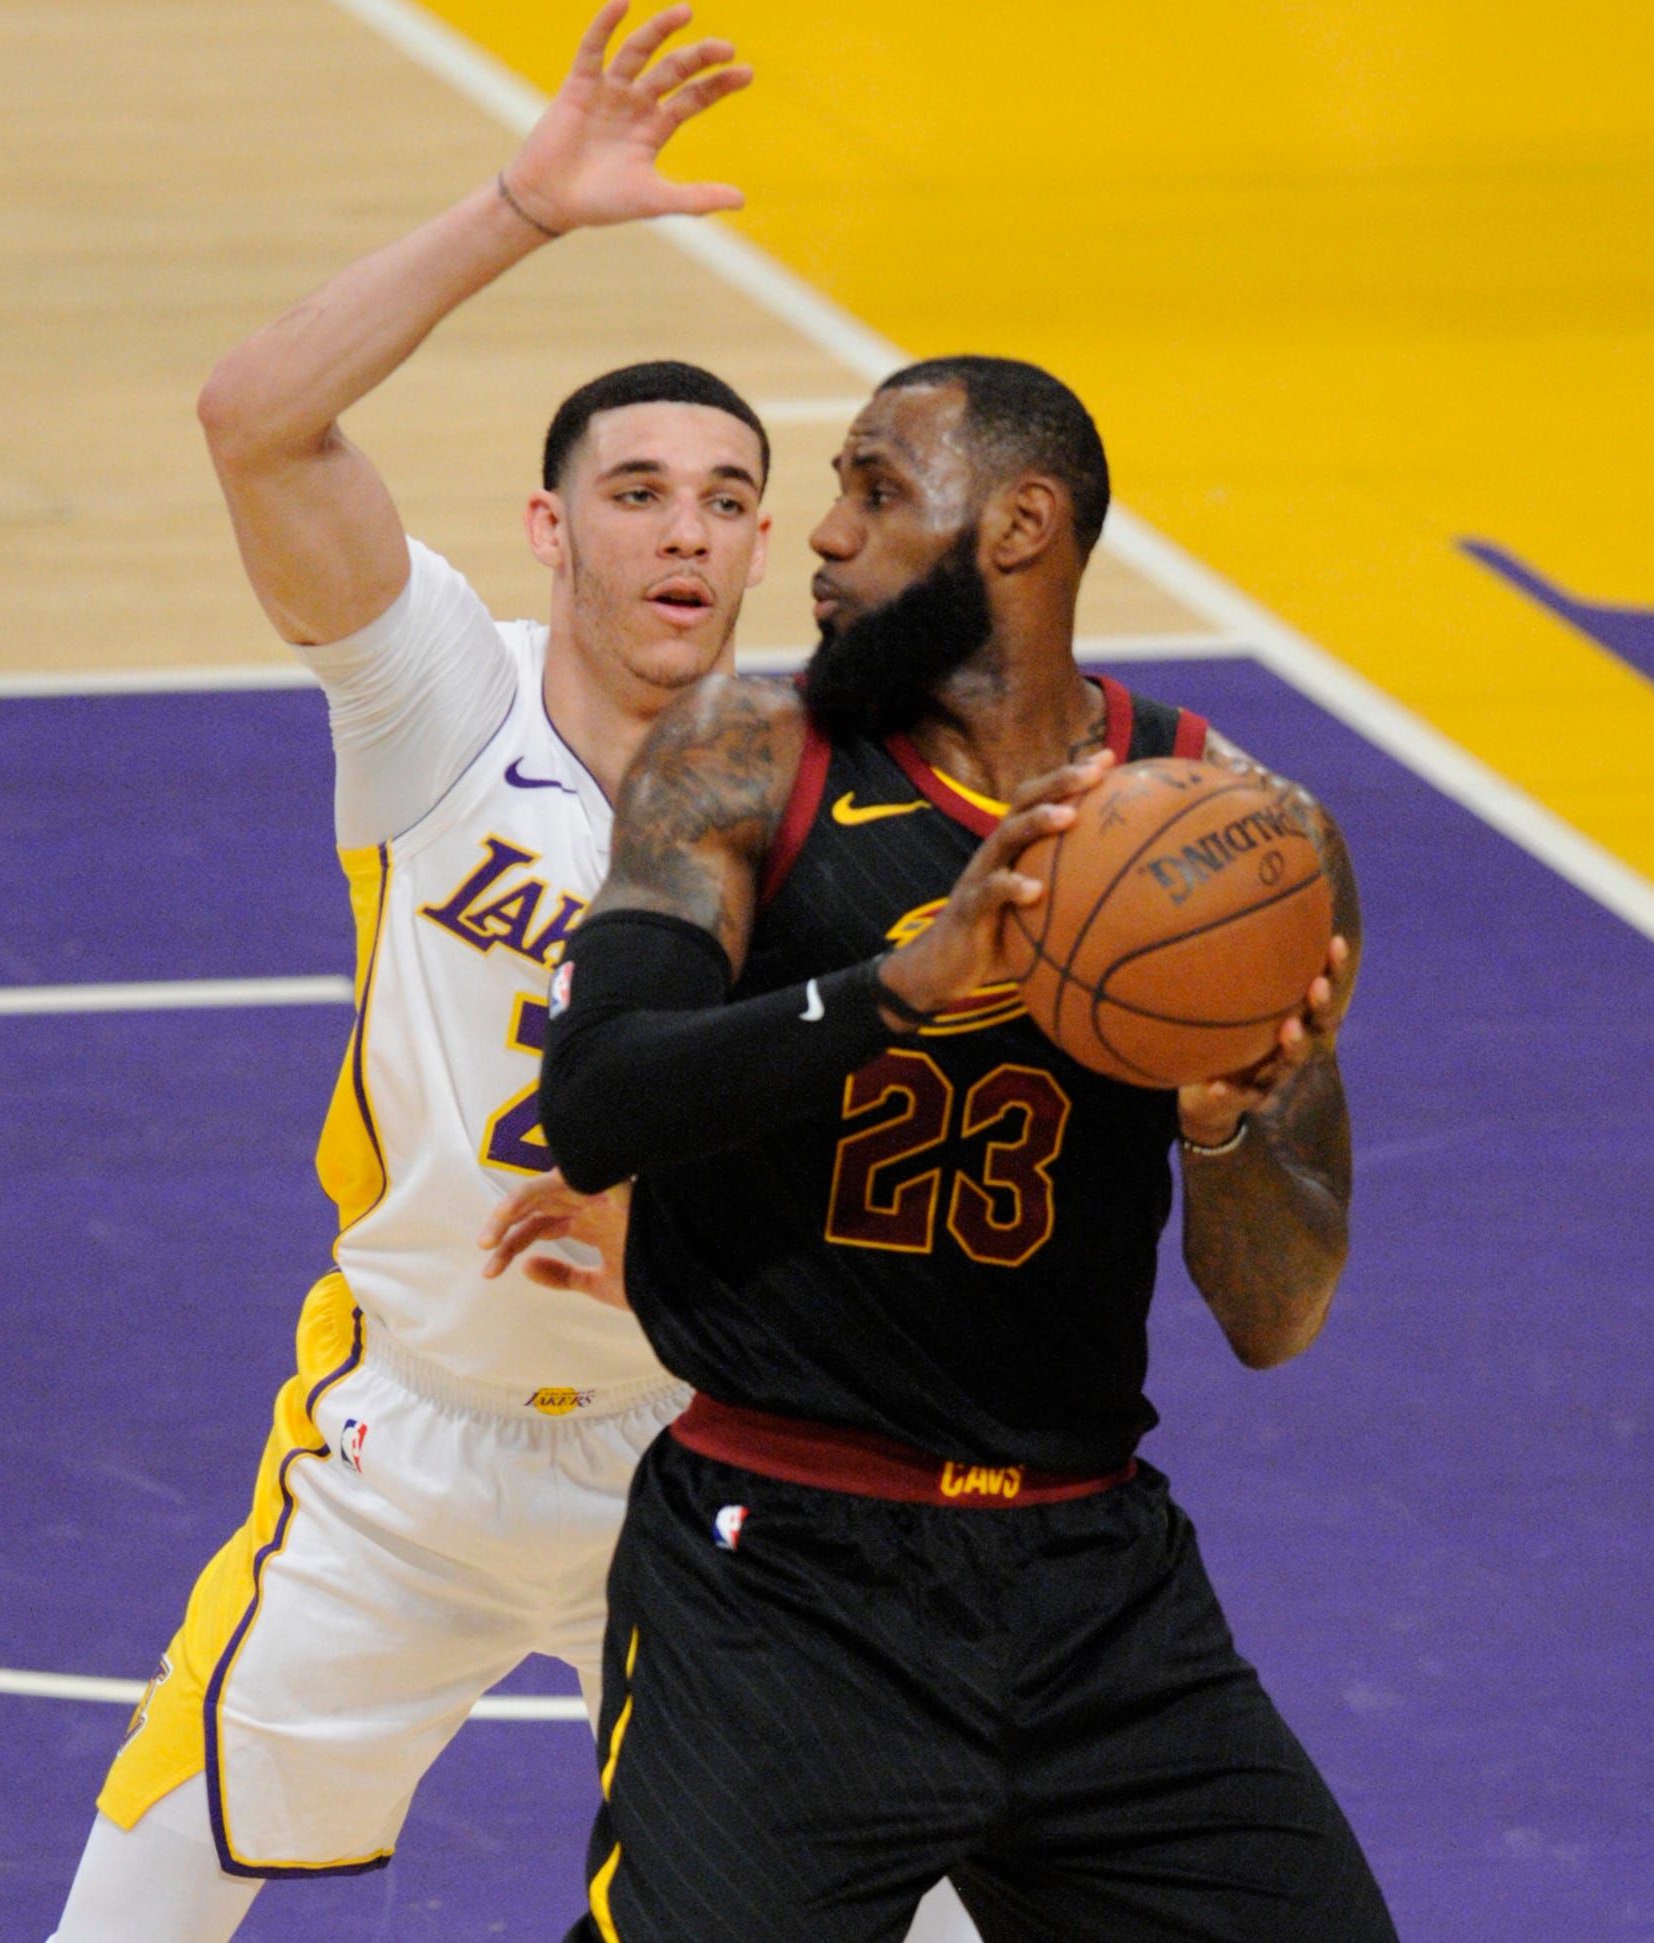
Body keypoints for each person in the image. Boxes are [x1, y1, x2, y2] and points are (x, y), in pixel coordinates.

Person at [45, 6, 786, 1936]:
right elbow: (252, 418)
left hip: (709, 1453)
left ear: (765, 546)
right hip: (404, 1454)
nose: (681, 531)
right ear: (550, 530)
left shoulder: (819, 802)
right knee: (129, 1912)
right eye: (636, 491)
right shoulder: (439, 703)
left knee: (932, 1903)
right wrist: (520, 207)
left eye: (722, 498)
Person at [537, 355, 1400, 1940]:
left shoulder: (1239, 836)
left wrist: (1222, 1133)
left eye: (875, 489)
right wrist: (895, 990)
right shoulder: (745, 752)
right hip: (782, 1577)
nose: (822, 537)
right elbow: (596, 1103)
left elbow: (1277, 1317)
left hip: (1090, 1581)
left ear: (1018, 526)